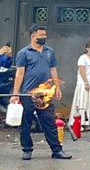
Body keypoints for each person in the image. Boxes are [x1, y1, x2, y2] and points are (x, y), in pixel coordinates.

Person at [10, 24, 72, 160]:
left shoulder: (49, 51)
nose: (44, 37)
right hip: (28, 94)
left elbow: (53, 70)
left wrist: (57, 87)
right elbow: (19, 74)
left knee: (49, 123)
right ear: (33, 36)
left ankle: (57, 150)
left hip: (45, 94)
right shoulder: (23, 53)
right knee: (26, 123)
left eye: (45, 35)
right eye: (41, 35)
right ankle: (27, 150)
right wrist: (15, 93)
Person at [72, 41, 90, 127]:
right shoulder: (83, 58)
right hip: (84, 83)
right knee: (83, 102)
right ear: (87, 48)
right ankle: (80, 123)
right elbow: (82, 70)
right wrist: (86, 82)